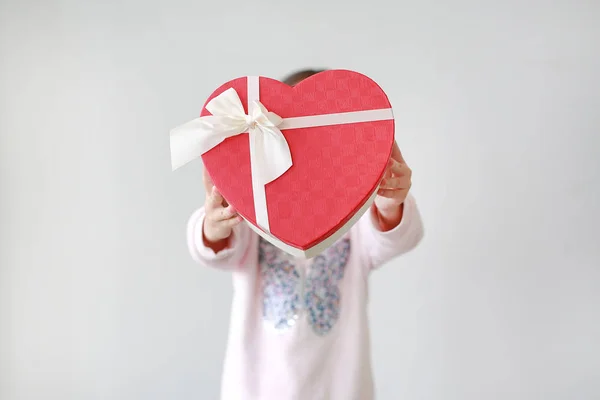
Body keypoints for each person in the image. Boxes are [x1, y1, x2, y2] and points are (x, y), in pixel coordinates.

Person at [186, 69, 424, 400]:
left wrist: (389, 202)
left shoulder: (353, 218)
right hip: (255, 388)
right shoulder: (257, 210)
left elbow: (398, 237)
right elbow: (216, 248)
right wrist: (214, 223)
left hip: (340, 387)